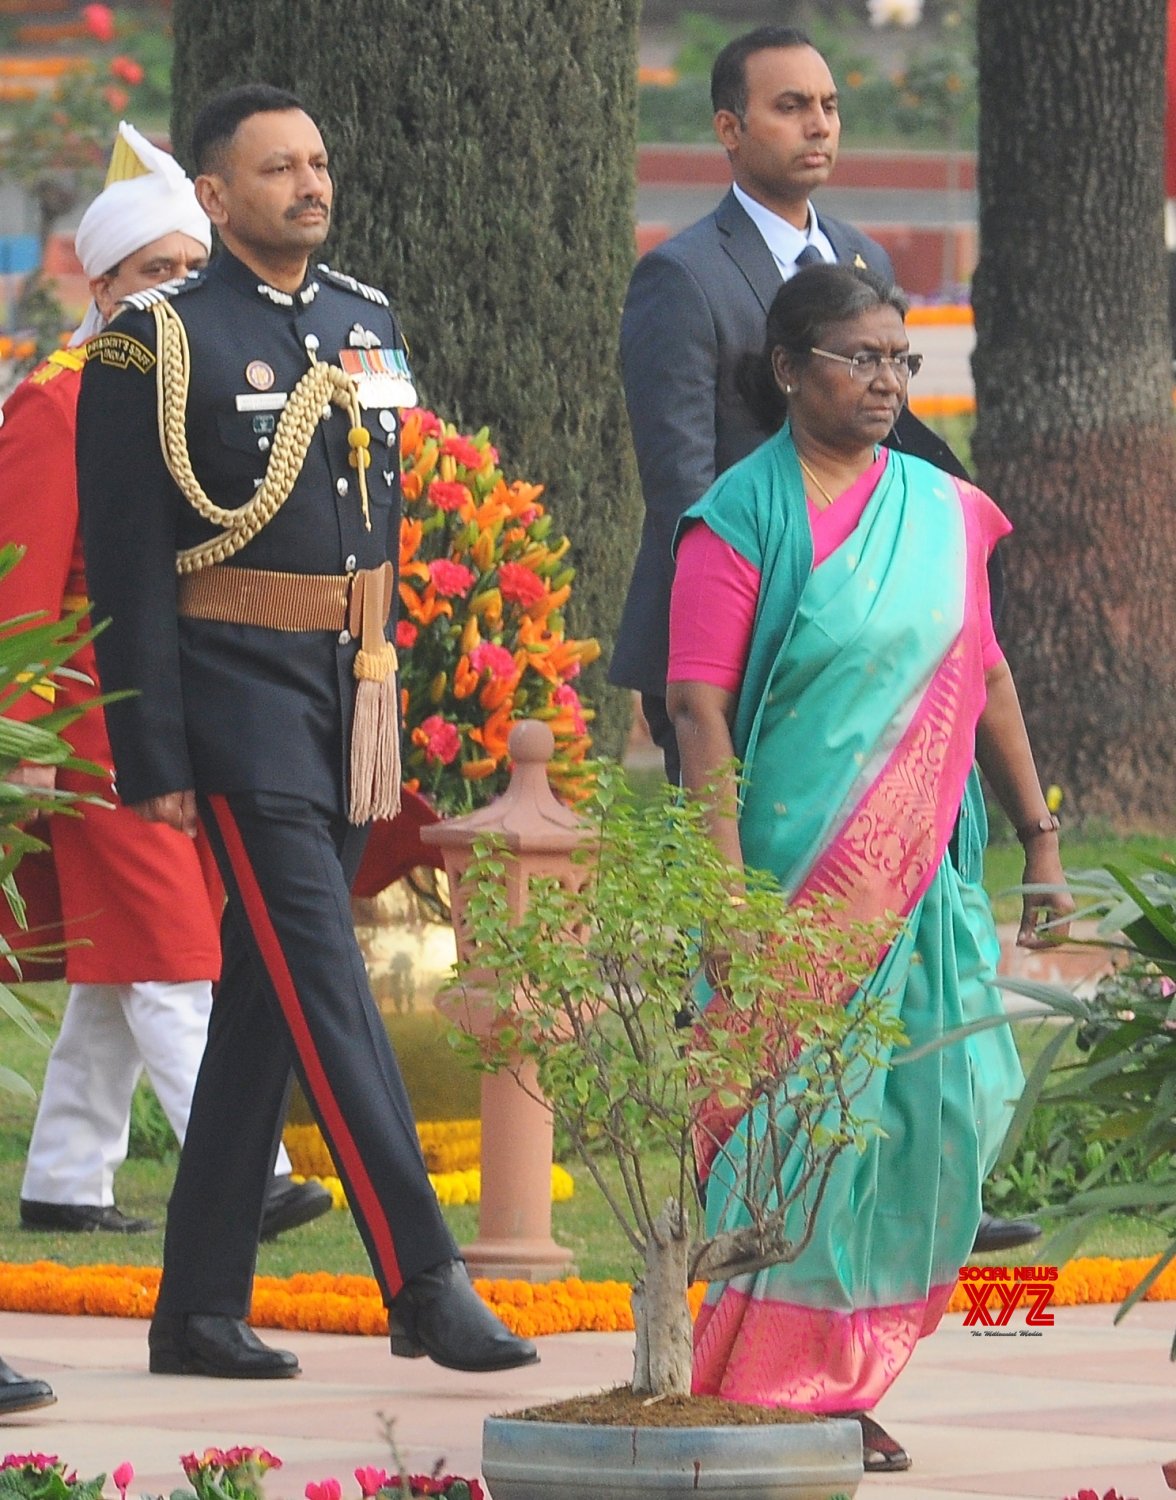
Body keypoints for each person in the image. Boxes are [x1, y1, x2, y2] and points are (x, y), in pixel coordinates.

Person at [76, 84, 536, 1380]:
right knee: (323, 969)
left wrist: (413, 693)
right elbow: (125, 565)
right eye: (277, 168)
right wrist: (151, 754)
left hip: (352, 695)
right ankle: (425, 1277)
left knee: (264, 1005)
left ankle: (199, 1310)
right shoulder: (152, 346)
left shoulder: (363, 321)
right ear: (214, 199)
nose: (309, 183)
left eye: (318, 162)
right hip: (233, 695)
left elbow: (386, 522)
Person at [613, 22, 1035, 1259]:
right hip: (748, 649)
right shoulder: (682, 277)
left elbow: (893, 453)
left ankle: (918, 1166)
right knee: (767, 933)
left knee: (917, 907)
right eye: (792, 106)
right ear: (730, 130)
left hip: (883, 657)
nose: (821, 125)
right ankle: (761, 1197)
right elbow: (680, 473)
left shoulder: (855, 257)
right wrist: (794, 595)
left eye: (832, 105)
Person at [667, 264, 1074, 1470]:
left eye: (902, 359)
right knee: (800, 1136)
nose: (888, 380)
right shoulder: (737, 517)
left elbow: (986, 676)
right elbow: (697, 712)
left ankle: (848, 1365)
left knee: (933, 1122)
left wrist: (1040, 840)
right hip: (790, 883)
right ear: (790, 370)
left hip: (924, 885)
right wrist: (731, 898)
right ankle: (785, 1386)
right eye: (860, 357)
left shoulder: (944, 511)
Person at [0, 122, 330, 1243]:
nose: (177, 290)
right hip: (94, 724)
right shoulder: (56, 402)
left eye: (192, 270)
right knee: (180, 952)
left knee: (123, 961)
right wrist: (25, 734)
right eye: (155, 273)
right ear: (100, 282)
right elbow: (22, 589)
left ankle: (65, 1179)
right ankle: (253, 1173)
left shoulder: (177, 384)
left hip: (179, 710)